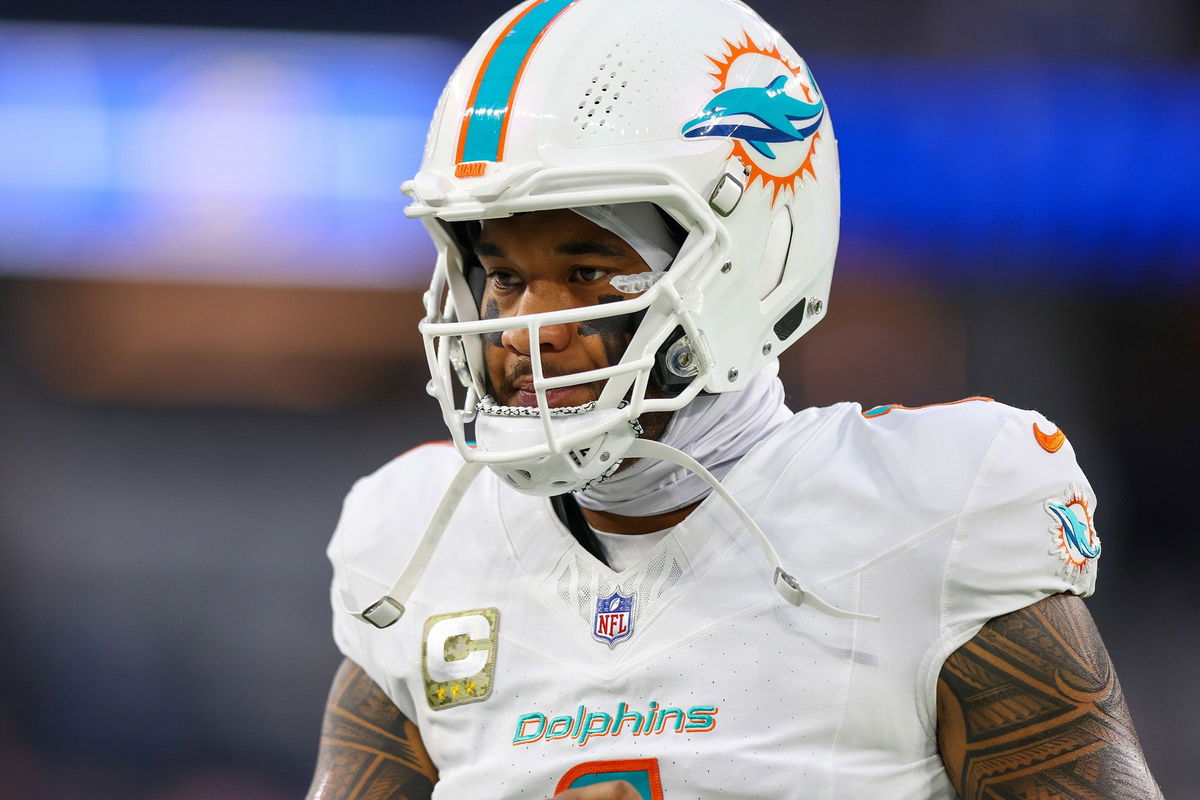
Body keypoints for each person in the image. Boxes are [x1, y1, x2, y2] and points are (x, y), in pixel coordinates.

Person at [307, 0, 1162, 798]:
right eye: (504, 276)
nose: (535, 326)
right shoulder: (418, 541)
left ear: (742, 266)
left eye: (586, 274)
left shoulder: (929, 516)